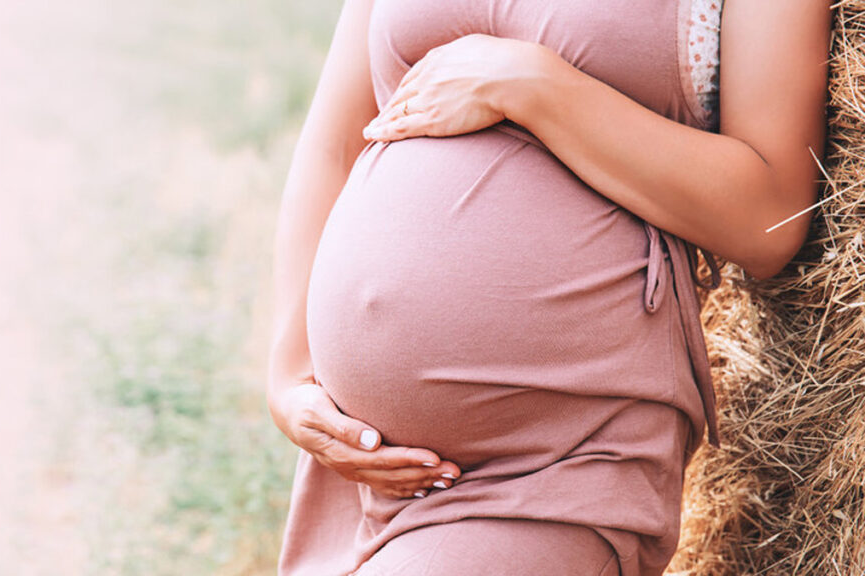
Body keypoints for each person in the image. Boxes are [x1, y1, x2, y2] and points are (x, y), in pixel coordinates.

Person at [266, 1, 831, 574]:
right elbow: (333, 146)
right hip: (359, 469)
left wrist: (534, 87)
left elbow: (770, 218)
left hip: (554, 459)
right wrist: (289, 378)